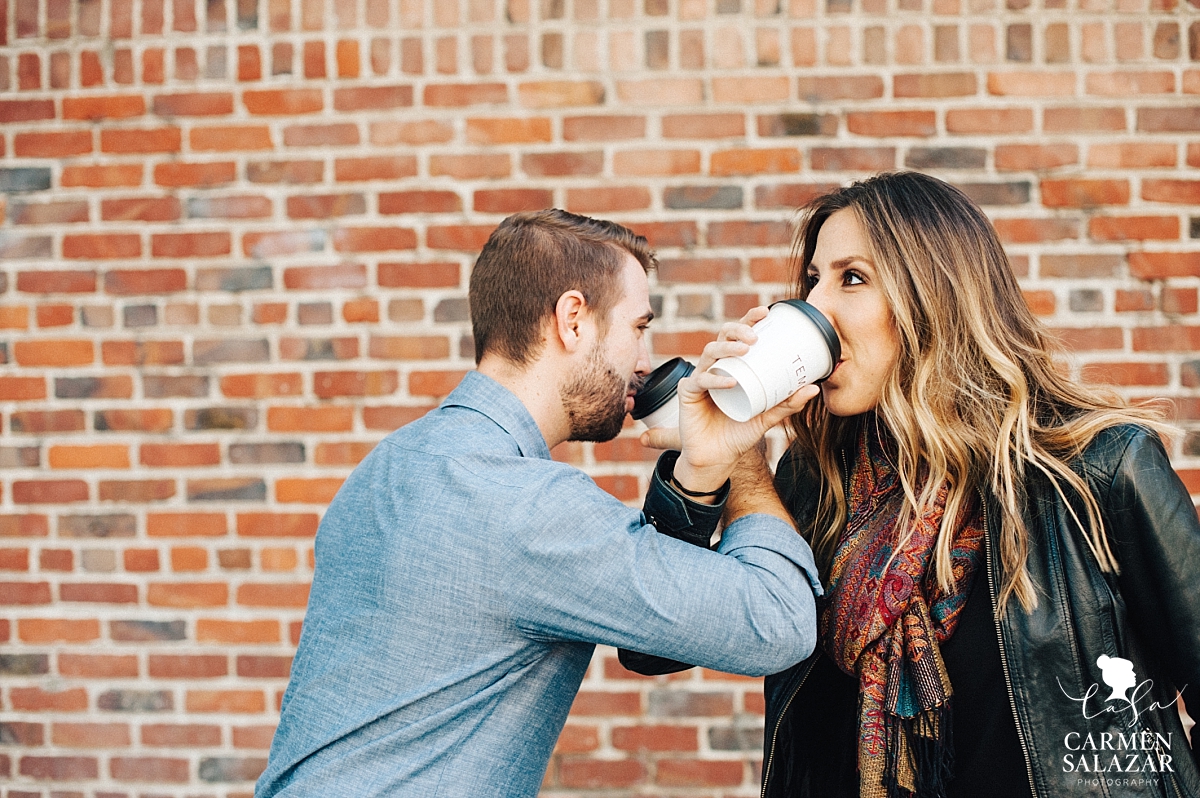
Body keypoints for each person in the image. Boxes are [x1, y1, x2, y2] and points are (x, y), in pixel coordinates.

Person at [627, 172, 1200, 798]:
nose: (816, 305)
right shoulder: (812, 483)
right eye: (814, 279)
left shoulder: (1096, 470)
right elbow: (653, 646)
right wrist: (715, 465)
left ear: (934, 297)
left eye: (852, 277)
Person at [254, 209, 823, 797]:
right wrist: (745, 446)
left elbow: (649, 633)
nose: (646, 363)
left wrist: (700, 473)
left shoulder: (392, 464)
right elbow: (777, 622)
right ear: (573, 319)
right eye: (638, 327)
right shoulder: (526, 507)